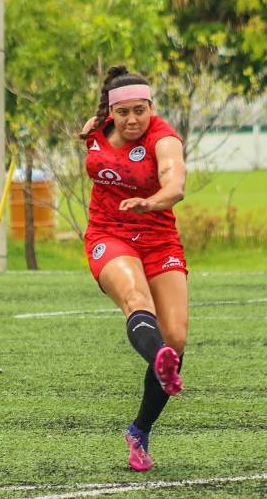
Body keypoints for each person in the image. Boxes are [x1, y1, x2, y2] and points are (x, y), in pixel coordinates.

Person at [78, 65, 189, 472]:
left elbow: (174, 183)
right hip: (109, 234)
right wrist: (89, 129)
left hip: (159, 239)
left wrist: (153, 201)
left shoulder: (164, 137)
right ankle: (157, 352)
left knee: (176, 337)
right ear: (112, 112)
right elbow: (90, 134)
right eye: (123, 113)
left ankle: (139, 430)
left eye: (139, 111)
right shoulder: (97, 128)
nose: (131, 120)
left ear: (150, 108)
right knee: (135, 298)